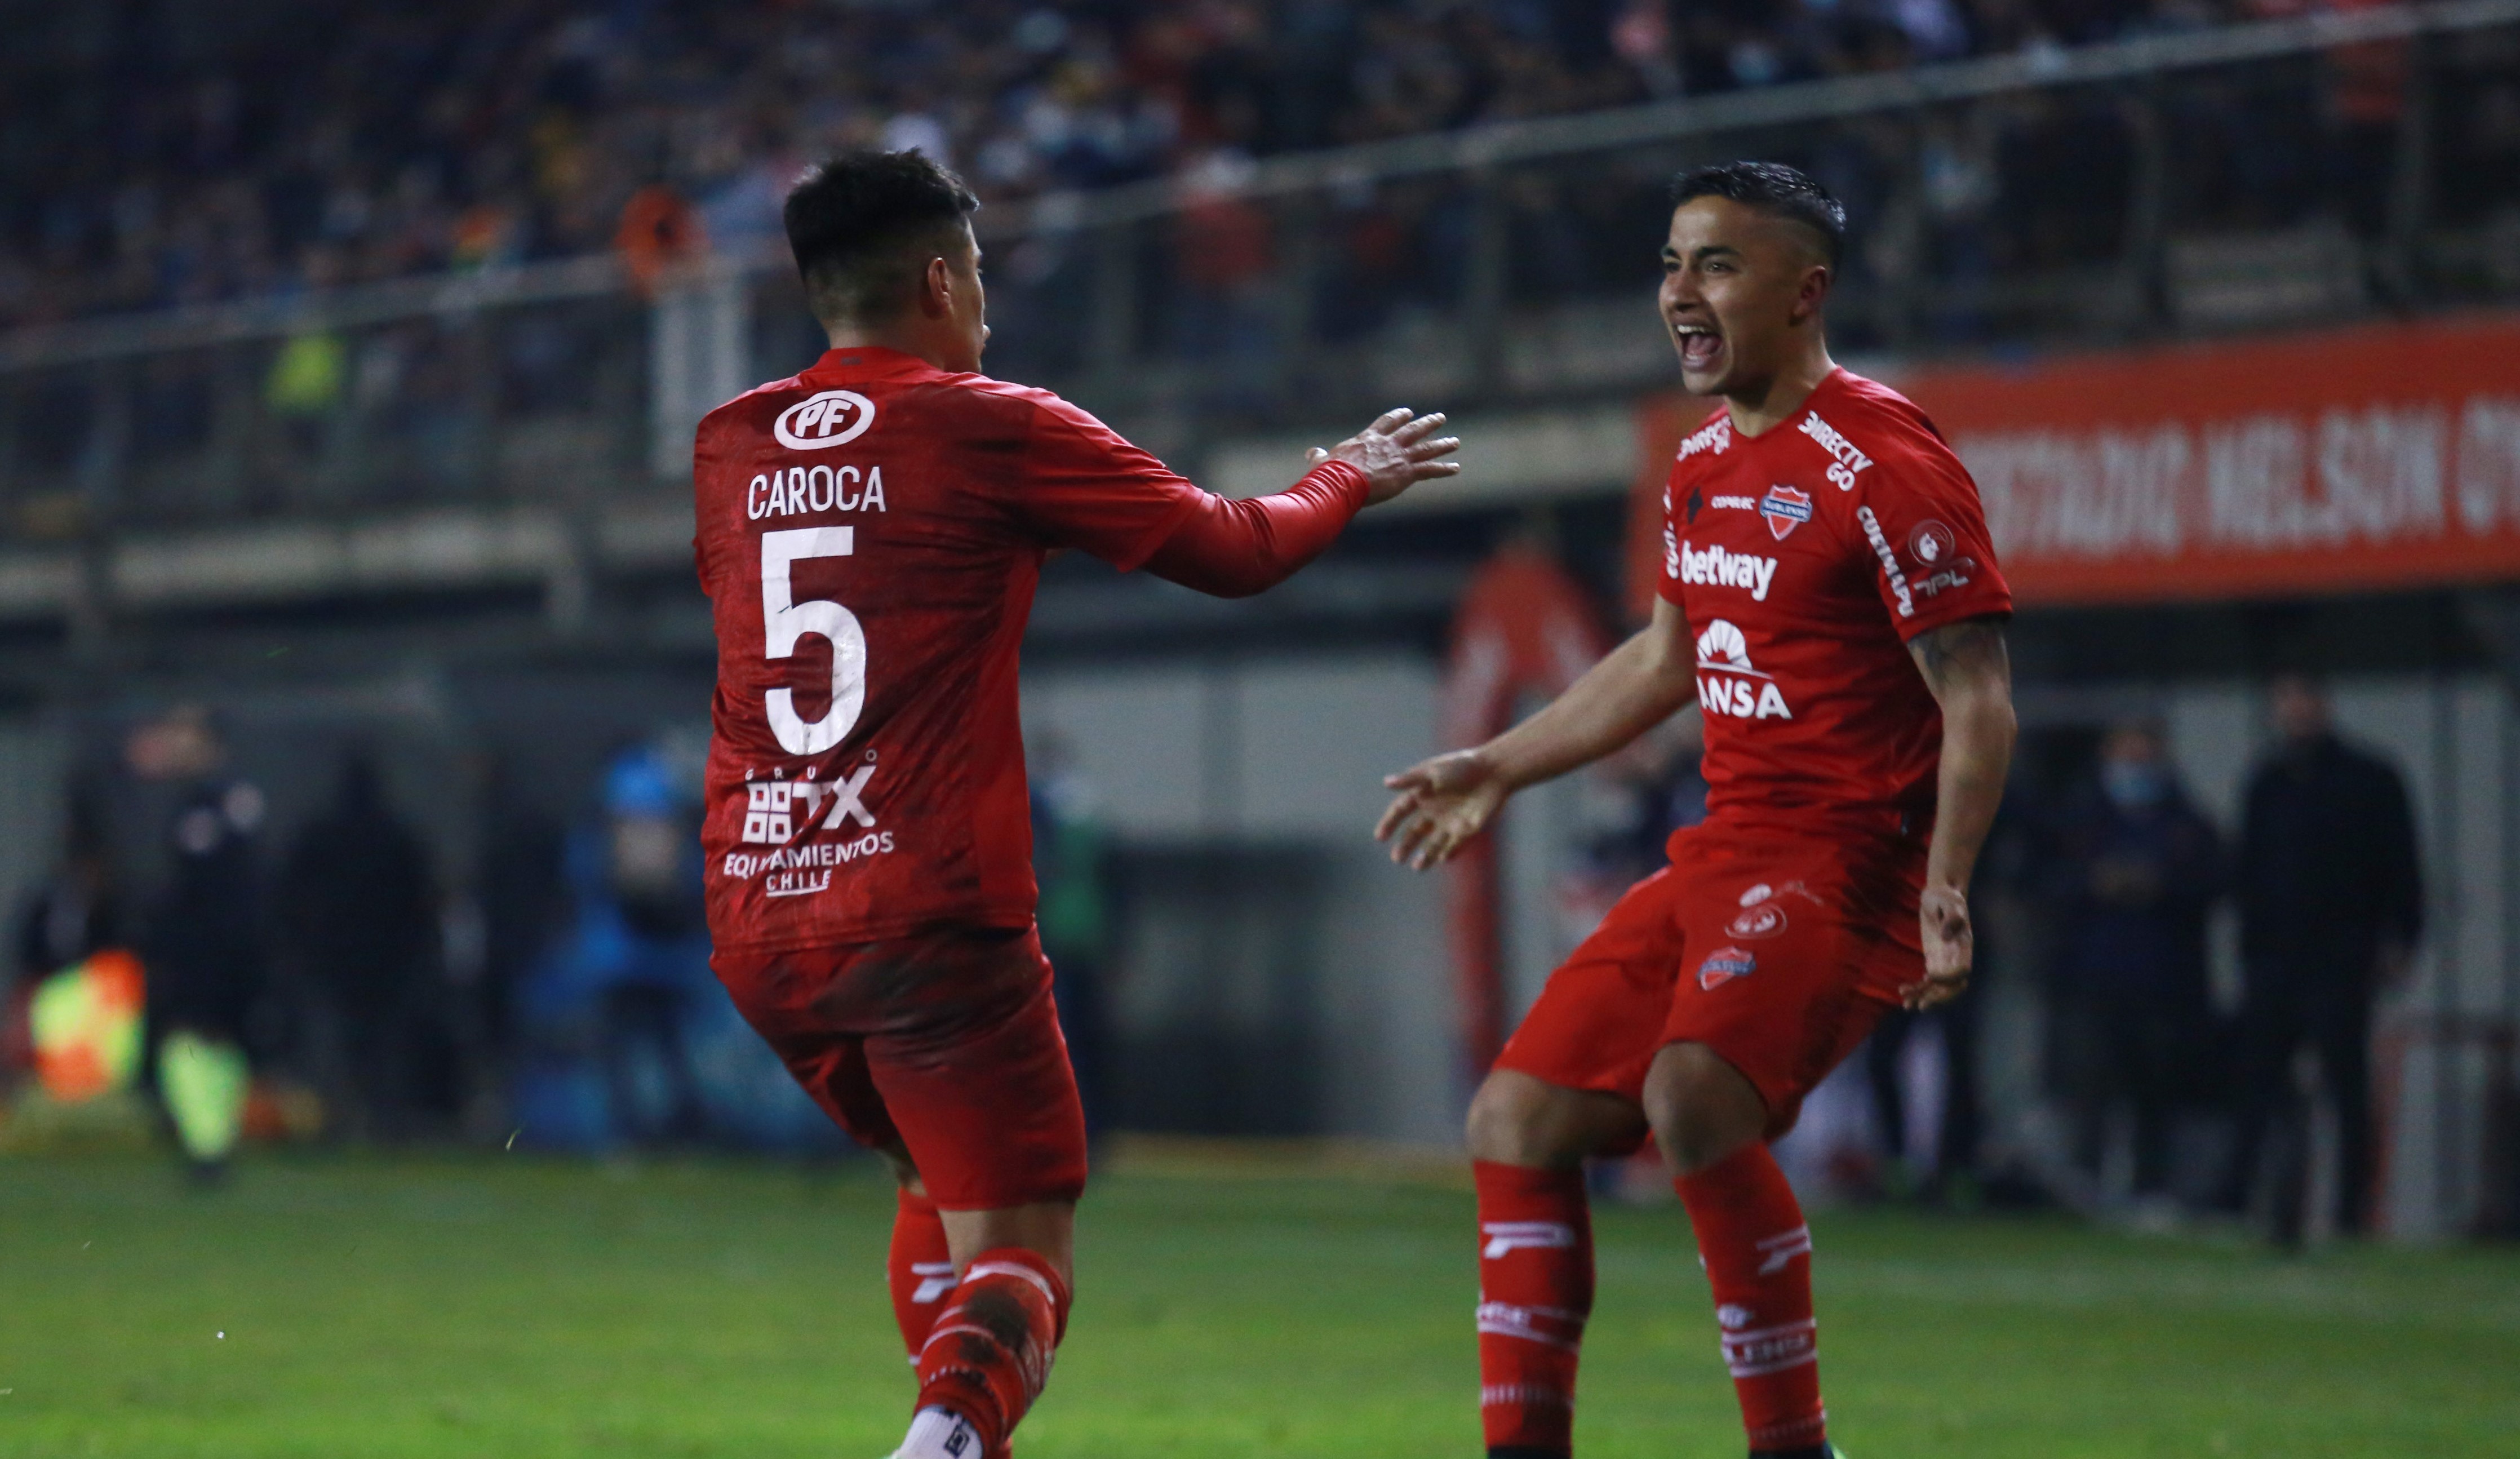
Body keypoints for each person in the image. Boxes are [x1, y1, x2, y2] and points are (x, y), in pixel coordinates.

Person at [691, 148, 1458, 1459]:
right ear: (940, 277)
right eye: (977, 275)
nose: (983, 304)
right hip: (925, 908)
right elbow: (1234, 547)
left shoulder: (729, 443)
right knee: (1027, 1231)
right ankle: (939, 1439)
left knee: (934, 1179)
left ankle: (955, 1429)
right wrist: (1343, 474)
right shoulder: (992, 420)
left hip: (760, 912)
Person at [1377, 161, 2016, 1459]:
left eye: (1714, 263)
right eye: (1669, 263)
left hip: (1847, 861)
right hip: (1722, 851)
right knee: (1514, 1118)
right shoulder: (1698, 460)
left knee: (1689, 1095)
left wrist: (1947, 880)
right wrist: (1497, 762)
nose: (1678, 291)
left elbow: (1980, 697)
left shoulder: (1880, 458)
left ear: (1803, 290)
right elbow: (1664, 659)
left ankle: (1791, 1445)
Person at [2226, 674, 2421, 1240]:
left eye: (2304, 698)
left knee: (2345, 1083)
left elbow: (2400, 864)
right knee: (2258, 1079)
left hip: (2342, 954)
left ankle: (2349, 1210)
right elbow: (2248, 869)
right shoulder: (2266, 779)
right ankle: (2241, 1198)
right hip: (2273, 957)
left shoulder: (2369, 778)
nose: (2295, 710)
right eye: (2285, 699)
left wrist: (2401, 938)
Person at [2043, 719, 2223, 1208]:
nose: (2136, 763)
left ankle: (2153, 1187)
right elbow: (2048, 884)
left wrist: (2158, 885)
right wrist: (2094, 884)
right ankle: (2084, 1186)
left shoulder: (2188, 823)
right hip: (2092, 979)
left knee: (2156, 1090)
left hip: (2163, 982)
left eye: (2145, 752)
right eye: (2128, 750)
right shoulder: (2079, 820)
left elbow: (2214, 883)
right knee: (2089, 1089)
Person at [127, 706, 269, 1182]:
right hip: (204, 948)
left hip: (219, 948)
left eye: (184, 733)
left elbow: (224, 882)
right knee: (195, 1041)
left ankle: (210, 1144)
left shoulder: (226, 801)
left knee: (203, 1040)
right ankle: (209, 1143)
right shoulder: (189, 801)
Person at [276, 750, 443, 1142]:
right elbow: (422, 901)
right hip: (384, 960)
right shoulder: (397, 836)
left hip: (337, 959)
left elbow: (292, 896)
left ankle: (338, 1122)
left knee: (337, 1048)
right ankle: (381, 1123)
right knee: (381, 1050)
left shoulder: (323, 834)